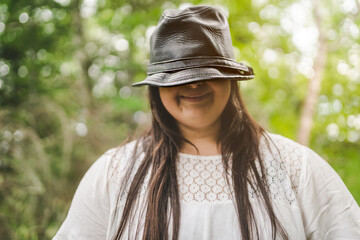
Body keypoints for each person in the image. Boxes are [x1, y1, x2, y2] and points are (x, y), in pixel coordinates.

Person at [53, 5, 360, 240]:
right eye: (178, 77)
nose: (193, 86)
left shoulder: (295, 167)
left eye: (206, 74)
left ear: (231, 80)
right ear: (157, 88)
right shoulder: (116, 172)